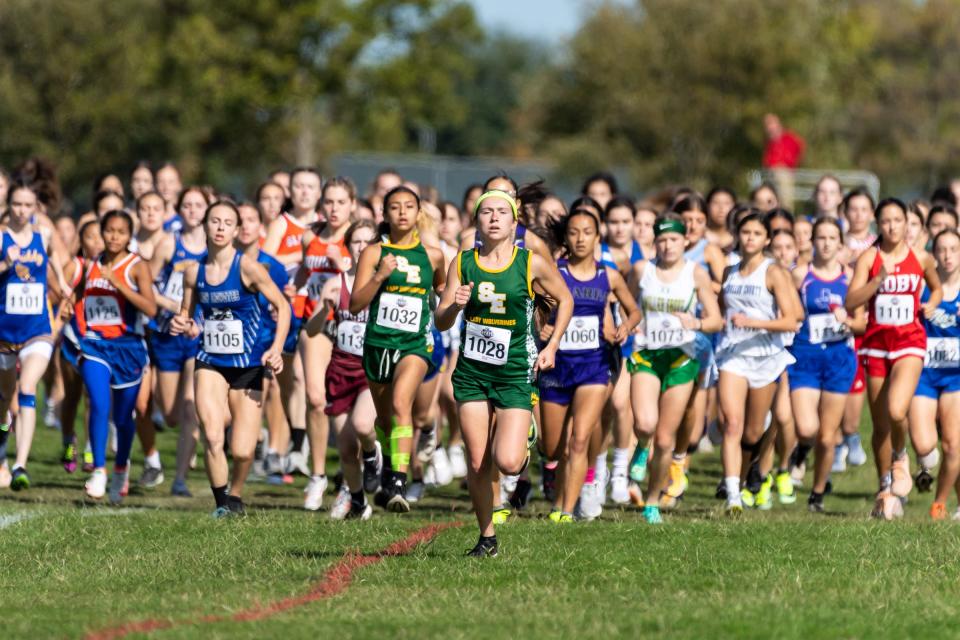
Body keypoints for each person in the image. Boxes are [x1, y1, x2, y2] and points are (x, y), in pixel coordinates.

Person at [436, 189, 573, 557]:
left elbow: (566, 299)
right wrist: (454, 306)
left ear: (515, 223)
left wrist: (553, 344)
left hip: (514, 371)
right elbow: (441, 318)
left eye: (502, 212)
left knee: (508, 461)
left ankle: (525, 432)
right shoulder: (462, 262)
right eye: (487, 212)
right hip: (471, 372)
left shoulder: (530, 263)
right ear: (477, 221)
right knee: (478, 461)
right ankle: (487, 537)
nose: (494, 218)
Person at [171, 200, 290, 517]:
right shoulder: (194, 272)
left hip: (248, 365)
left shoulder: (248, 268)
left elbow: (284, 306)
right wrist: (182, 324)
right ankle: (222, 503)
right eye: (214, 221)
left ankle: (235, 494)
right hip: (210, 360)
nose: (220, 227)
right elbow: (187, 317)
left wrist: (276, 348)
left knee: (242, 449)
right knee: (211, 434)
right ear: (205, 226)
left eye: (227, 223)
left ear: (237, 231)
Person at [539, 208, 640, 522]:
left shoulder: (607, 275)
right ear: (566, 237)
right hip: (557, 366)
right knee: (553, 448)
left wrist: (624, 328)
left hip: (594, 366)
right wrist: (540, 326)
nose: (580, 239)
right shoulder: (554, 272)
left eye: (587, 232)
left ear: (598, 238)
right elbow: (535, 306)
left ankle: (565, 510)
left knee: (580, 439)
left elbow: (634, 311)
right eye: (574, 232)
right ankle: (561, 492)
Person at [349, 185, 446, 511]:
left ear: (418, 213)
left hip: (415, 344)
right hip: (378, 344)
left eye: (409, 206)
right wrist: (379, 277)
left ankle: (397, 481)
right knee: (386, 420)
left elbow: (443, 290)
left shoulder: (433, 255)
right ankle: (380, 457)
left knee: (403, 403)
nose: (402, 212)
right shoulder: (374, 254)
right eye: (394, 207)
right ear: (385, 214)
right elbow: (355, 304)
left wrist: (456, 302)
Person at [845, 198, 941, 520]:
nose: (892, 227)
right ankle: (885, 487)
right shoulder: (869, 257)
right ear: (877, 224)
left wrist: (931, 304)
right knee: (881, 425)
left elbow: (936, 288)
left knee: (897, 408)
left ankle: (901, 457)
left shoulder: (921, 257)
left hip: (910, 343)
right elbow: (850, 300)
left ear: (907, 223)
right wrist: (875, 283)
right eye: (885, 221)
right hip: (875, 345)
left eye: (898, 220)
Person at [628, 215, 721, 523]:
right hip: (648, 355)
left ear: (685, 242)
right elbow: (627, 305)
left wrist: (696, 323)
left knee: (666, 440)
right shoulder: (644, 270)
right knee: (644, 423)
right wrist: (630, 325)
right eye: (662, 240)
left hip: (682, 358)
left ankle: (652, 500)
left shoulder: (696, 273)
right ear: (656, 243)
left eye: (674, 240)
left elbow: (716, 319)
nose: (668, 246)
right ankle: (642, 446)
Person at [71, 210, 157, 502]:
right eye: (109, 230)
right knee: (98, 402)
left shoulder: (137, 267)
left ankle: (120, 468)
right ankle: (98, 469)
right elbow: (81, 295)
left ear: (129, 236)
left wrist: (119, 283)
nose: (114, 236)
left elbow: (151, 308)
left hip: (128, 348)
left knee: (122, 418)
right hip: (95, 345)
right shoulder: (92, 264)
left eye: (120, 232)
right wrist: (72, 307)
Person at [716, 210, 799, 514]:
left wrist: (753, 322)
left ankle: (751, 471)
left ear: (766, 239)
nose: (749, 238)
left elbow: (791, 320)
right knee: (732, 425)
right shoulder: (729, 272)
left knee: (752, 432)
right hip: (733, 357)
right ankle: (732, 495)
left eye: (756, 233)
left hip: (765, 358)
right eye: (745, 232)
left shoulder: (774, 272)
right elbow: (722, 310)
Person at [305, 220, 382, 520]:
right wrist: (324, 310)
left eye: (367, 242)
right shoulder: (336, 284)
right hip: (340, 370)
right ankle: (359, 501)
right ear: (347, 246)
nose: (362, 247)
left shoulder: (382, 283)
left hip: (369, 371)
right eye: (356, 242)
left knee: (363, 426)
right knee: (347, 449)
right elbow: (312, 330)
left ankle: (374, 454)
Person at [788, 218, 864, 512]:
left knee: (828, 435)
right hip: (805, 356)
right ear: (812, 241)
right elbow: (788, 311)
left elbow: (862, 323)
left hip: (838, 360)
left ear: (841, 244)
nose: (826, 243)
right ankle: (801, 449)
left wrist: (849, 321)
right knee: (807, 428)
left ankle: (817, 493)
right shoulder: (800, 276)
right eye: (821, 237)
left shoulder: (851, 278)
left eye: (833, 238)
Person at [0, 183, 69, 489]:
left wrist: (63, 285)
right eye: (17, 204)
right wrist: (7, 263)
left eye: (28, 205)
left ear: (35, 207)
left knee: (27, 387)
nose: (22, 211)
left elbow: (56, 258)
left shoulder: (45, 235)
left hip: (37, 330)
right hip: (3, 333)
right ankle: (3, 450)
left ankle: (20, 464)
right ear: (9, 205)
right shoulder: (1, 237)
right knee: (4, 401)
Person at [296, 177, 355, 510]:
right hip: (316, 324)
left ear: (352, 205)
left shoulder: (358, 239)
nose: (333, 209)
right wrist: (294, 288)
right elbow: (305, 275)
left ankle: (348, 481)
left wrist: (340, 263)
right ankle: (317, 475)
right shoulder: (311, 235)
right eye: (329, 202)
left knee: (343, 404)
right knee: (315, 398)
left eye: (340, 203)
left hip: (348, 326)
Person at [149, 187, 209, 496]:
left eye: (199, 205)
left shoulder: (216, 248)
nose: (193, 210)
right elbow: (146, 285)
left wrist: (197, 322)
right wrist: (175, 310)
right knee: (171, 414)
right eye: (187, 205)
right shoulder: (167, 244)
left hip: (198, 337)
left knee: (191, 408)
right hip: (167, 332)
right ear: (179, 209)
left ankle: (180, 479)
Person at [915, 230, 960, 519]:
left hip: (956, 377)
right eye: (942, 250)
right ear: (934, 254)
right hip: (924, 374)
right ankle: (922, 468)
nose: (947, 256)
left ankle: (939, 504)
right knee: (924, 444)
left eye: (954, 249)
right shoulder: (922, 288)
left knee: (953, 444)